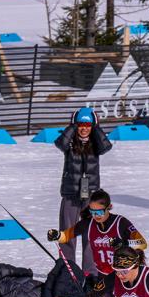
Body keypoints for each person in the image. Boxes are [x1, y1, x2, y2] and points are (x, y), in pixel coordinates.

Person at [53, 108, 112, 277]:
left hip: (91, 194)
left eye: (87, 124)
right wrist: (71, 127)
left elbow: (106, 147)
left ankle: (90, 272)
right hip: (71, 193)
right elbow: (60, 144)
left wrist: (97, 127)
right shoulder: (69, 141)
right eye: (80, 125)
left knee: (91, 233)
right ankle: (67, 269)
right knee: (68, 233)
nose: (84, 128)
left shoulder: (96, 141)